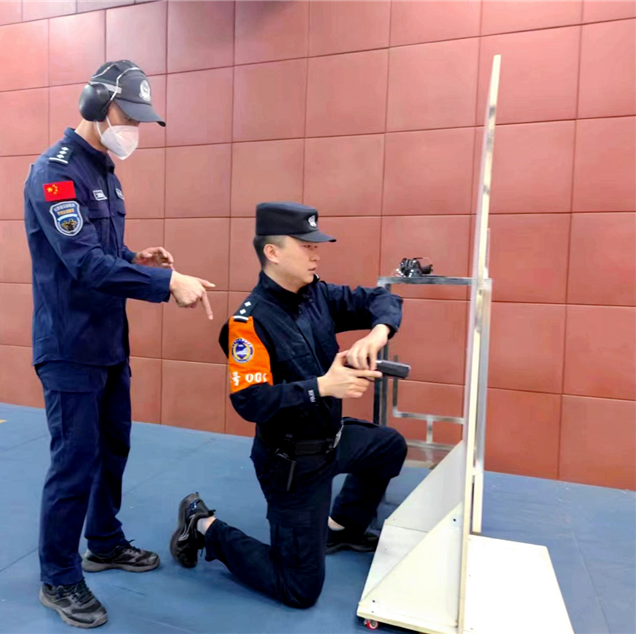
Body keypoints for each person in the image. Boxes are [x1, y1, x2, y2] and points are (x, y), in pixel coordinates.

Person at [24, 60, 214, 629]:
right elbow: (82, 263)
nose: (132, 128)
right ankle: (59, 578)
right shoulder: (55, 173)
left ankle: (104, 542)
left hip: (109, 342)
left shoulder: (105, 170)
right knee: (74, 462)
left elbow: (102, 251)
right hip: (69, 346)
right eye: (127, 116)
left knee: (113, 449)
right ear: (96, 105)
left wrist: (136, 258)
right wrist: (166, 283)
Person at [169, 202, 408, 609]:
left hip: (332, 439)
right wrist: (322, 386)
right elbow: (250, 401)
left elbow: (381, 299)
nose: (316, 254)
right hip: (292, 463)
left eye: (316, 246)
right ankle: (203, 525)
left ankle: (341, 527)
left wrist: (377, 334)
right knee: (299, 589)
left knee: (389, 447)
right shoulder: (248, 323)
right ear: (273, 252)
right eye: (306, 246)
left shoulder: (317, 295)